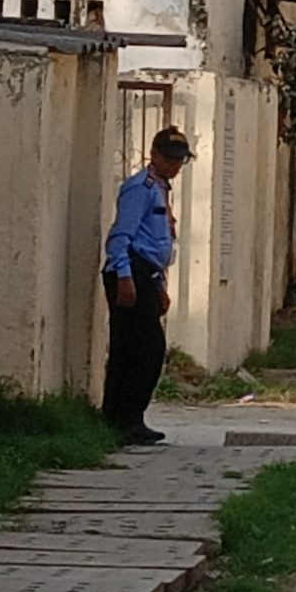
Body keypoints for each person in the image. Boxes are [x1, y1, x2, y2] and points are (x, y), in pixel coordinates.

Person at [102, 126, 191, 446]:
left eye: (180, 160)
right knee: (145, 349)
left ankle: (124, 418)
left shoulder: (160, 189)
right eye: (169, 158)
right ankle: (125, 417)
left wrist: (160, 286)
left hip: (147, 275)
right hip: (130, 271)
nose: (175, 165)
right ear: (153, 155)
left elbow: (158, 244)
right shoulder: (140, 188)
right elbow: (120, 237)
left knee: (134, 349)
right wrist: (125, 277)